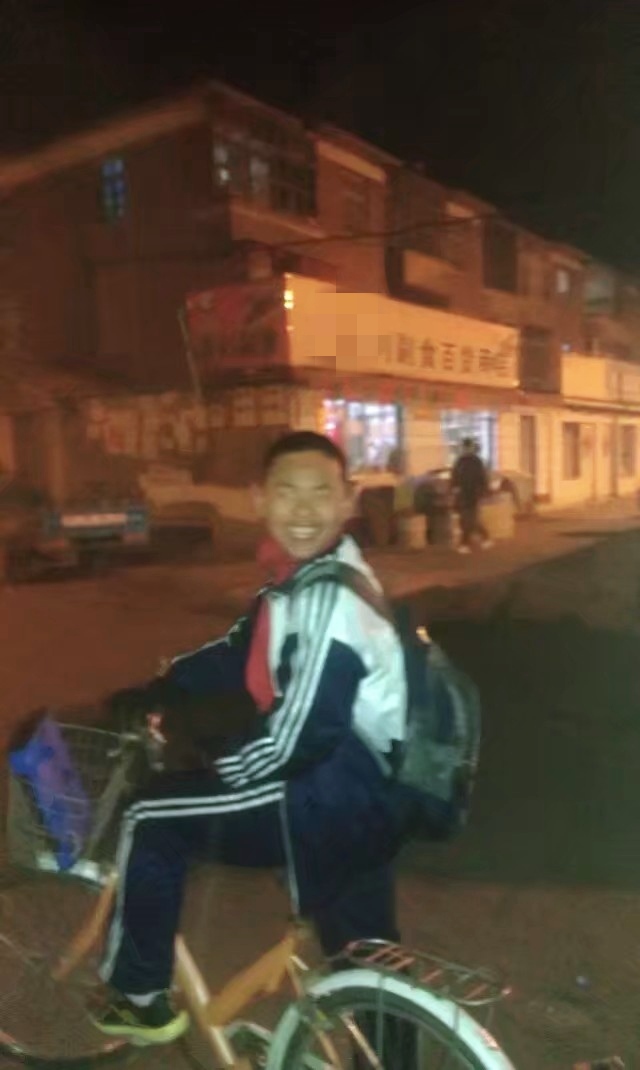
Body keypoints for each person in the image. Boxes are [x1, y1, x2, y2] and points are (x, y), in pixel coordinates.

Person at [93, 430, 417, 1046]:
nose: (303, 509)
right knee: (370, 964)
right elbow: (239, 653)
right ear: (259, 499)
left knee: (149, 817)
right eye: (287, 492)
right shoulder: (297, 582)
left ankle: (137, 999)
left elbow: (302, 737)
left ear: (347, 500)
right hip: (366, 797)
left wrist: (215, 770)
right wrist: (164, 687)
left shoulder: (328, 596)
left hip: (324, 793)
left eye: (320, 492)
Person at [450, 438, 493, 554]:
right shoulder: (461, 461)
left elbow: (481, 478)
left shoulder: (474, 461)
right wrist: (454, 488)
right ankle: (484, 538)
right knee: (469, 519)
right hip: (464, 494)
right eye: (465, 447)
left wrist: (483, 491)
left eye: (467, 447)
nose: (466, 449)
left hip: (472, 494)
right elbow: (455, 476)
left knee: (469, 519)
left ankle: (465, 543)